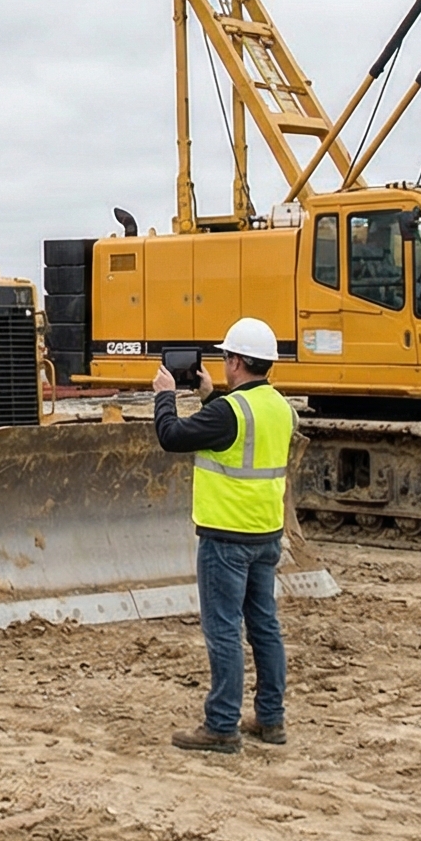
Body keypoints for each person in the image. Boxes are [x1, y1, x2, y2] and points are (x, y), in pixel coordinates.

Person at [152, 316, 294, 755]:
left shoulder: (228, 412)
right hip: (265, 533)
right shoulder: (279, 408)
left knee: (224, 630)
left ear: (235, 361)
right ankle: (271, 720)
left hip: (225, 536)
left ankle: (221, 725)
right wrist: (210, 395)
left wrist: (165, 397)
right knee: (264, 627)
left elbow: (172, 437)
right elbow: (240, 433)